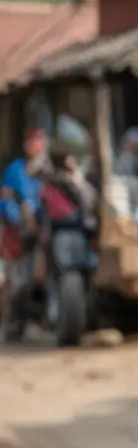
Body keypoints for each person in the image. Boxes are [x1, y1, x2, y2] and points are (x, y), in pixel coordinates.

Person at [1, 127, 49, 338]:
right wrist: (17, 219)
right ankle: (12, 325)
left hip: (39, 233)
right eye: (32, 141)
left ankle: (35, 322)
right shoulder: (15, 170)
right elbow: (6, 199)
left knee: (36, 279)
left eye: (39, 141)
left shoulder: (46, 171)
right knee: (16, 279)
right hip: (17, 232)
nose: (36, 145)